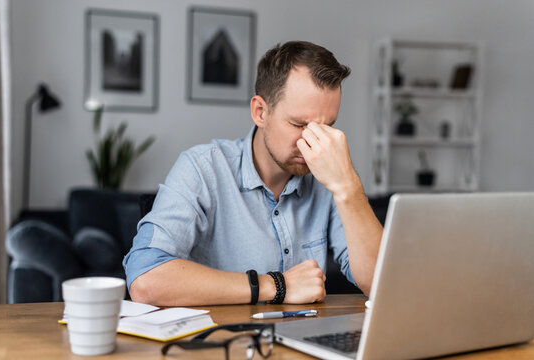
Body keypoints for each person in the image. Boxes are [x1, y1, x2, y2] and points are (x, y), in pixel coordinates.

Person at [123, 41, 383, 306]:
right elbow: (145, 279)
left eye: (327, 127)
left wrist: (347, 186)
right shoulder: (202, 168)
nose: (313, 142)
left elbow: (381, 284)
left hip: (302, 341)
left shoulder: (332, 174)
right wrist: (276, 285)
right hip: (222, 342)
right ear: (260, 112)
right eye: (298, 124)